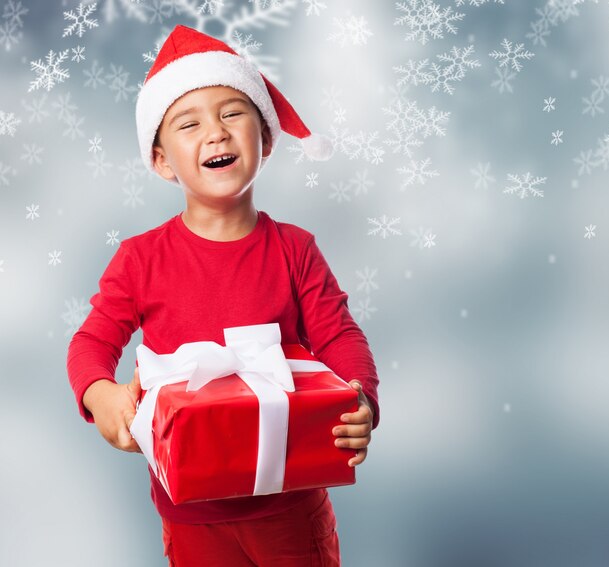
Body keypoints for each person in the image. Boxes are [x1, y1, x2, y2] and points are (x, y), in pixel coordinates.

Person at [67, 25, 380, 567]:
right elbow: (90, 342)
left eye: (233, 114)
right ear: (163, 161)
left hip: (293, 509)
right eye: (190, 123)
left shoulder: (295, 249)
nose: (216, 133)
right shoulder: (141, 258)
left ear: (265, 137)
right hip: (190, 517)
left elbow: (340, 334)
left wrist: (361, 400)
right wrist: (101, 394)